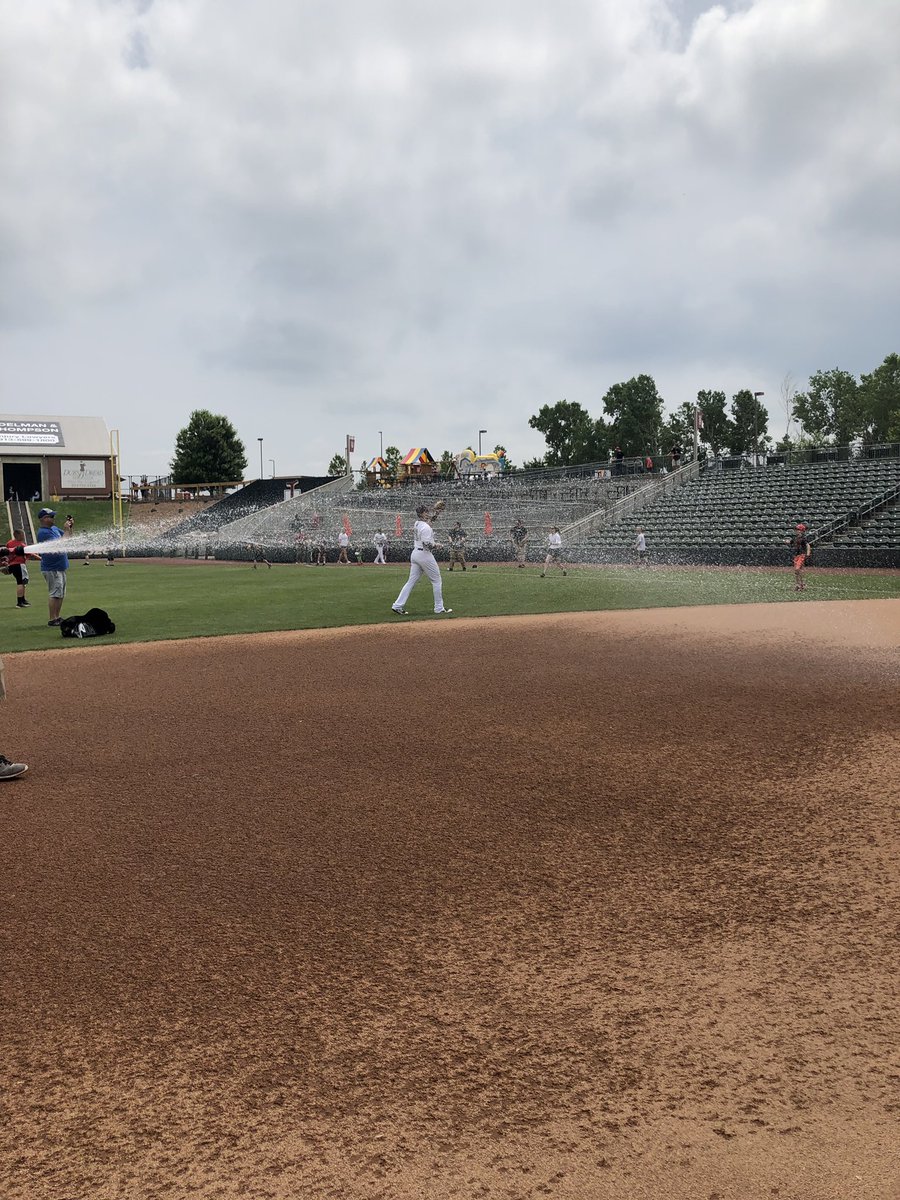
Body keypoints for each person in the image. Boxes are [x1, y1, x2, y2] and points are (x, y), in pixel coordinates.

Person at [392, 504, 452, 616]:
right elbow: (427, 544)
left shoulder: (417, 523)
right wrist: (437, 545)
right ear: (422, 513)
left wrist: (437, 514)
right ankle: (439, 608)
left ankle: (397, 605)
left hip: (415, 554)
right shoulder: (425, 527)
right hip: (424, 554)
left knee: (411, 582)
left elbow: (429, 521)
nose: (428, 513)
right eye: (426, 511)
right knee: (436, 580)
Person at [36, 508, 72, 627]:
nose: (53, 518)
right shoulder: (43, 533)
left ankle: (57, 617)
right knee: (55, 593)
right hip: (52, 568)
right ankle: (52, 619)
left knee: (60, 593)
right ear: (44, 519)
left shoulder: (54, 529)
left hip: (60, 566)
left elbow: (68, 538)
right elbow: (61, 544)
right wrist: (66, 529)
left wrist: (69, 528)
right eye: (51, 516)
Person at [6, 528, 34, 607]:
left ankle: (23, 599)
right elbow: (28, 554)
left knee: (22, 582)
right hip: (20, 565)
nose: (24, 536)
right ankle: (20, 602)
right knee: (21, 582)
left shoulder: (9, 543)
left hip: (12, 565)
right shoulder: (21, 545)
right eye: (22, 534)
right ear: (18, 535)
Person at [791, 524, 811, 591]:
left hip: (801, 555)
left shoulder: (803, 538)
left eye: (798, 529)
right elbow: (791, 542)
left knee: (797, 569)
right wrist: (787, 541)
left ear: (802, 531)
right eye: (797, 529)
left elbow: (808, 545)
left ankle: (802, 584)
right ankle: (798, 585)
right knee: (797, 571)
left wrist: (808, 554)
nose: (797, 531)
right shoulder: (796, 538)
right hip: (796, 555)